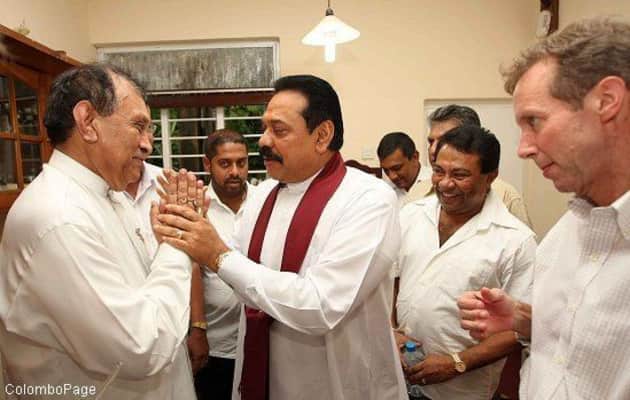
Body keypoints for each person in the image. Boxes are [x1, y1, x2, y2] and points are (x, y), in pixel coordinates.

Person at [154, 74, 407, 399]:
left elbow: (320, 305)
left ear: (322, 135)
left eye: (279, 130)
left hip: (340, 385)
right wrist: (190, 230)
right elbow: (236, 274)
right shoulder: (262, 195)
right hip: (264, 378)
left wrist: (217, 254)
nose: (263, 141)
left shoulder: (368, 199)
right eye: (265, 128)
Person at [0, 64, 198, 399]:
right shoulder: (59, 217)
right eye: (138, 126)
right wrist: (177, 243)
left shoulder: (108, 194)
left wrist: (163, 238)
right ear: (88, 122)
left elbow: (141, 291)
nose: (148, 145)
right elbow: (141, 348)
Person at [457, 17, 630, 399]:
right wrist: (524, 320)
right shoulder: (562, 236)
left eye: (534, 121)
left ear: (607, 101)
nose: (523, 148)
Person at [395, 125, 535, 400]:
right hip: (401, 377)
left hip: (462, 389)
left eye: (460, 175)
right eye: (439, 171)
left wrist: (457, 362)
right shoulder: (411, 215)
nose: (445, 184)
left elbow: (521, 328)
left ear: (490, 176)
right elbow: (391, 279)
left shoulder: (516, 241)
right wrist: (392, 332)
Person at [190, 129, 253, 400]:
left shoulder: (264, 203)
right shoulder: (196, 208)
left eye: (241, 162)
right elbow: (191, 270)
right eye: (225, 164)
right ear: (208, 164)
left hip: (258, 342)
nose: (235, 172)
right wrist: (198, 330)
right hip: (215, 344)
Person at [411, 105, 531, 226]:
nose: (433, 150)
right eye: (431, 142)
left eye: (446, 141)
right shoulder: (416, 193)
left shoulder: (507, 198)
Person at [378, 132, 421, 205]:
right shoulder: (384, 191)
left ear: (415, 157)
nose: (392, 177)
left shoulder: (435, 185)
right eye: (386, 170)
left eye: (397, 168)